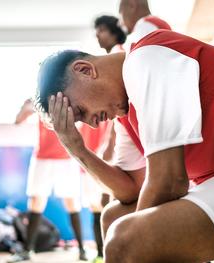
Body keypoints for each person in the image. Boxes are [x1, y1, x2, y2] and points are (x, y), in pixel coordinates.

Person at [35, 29, 214, 263]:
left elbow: (170, 181)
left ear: (85, 70)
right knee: (113, 216)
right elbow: (129, 190)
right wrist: (77, 150)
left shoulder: (148, 59)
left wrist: (138, 239)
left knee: (125, 240)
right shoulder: (125, 111)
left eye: (81, 111)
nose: (91, 125)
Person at [7, 99, 87, 262]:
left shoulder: (71, 93)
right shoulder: (39, 98)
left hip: (66, 157)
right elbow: (17, 121)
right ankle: (27, 250)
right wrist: (27, 108)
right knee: (36, 202)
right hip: (42, 158)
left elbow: (83, 123)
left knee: (72, 203)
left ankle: (82, 249)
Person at [91, 15, 126, 263]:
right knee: (105, 204)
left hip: (126, 145)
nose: (97, 35)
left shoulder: (120, 56)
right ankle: (103, 253)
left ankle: (113, 252)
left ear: (115, 32)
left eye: (102, 30)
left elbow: (121, 111)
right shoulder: (113, 57)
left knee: (111, 201)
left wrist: (110, 147)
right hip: (115, 143)